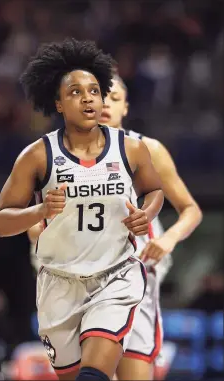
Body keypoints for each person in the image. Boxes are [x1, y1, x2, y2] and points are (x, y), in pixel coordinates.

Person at [0, 38, 164, 381]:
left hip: (115, 277)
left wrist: (147, 213)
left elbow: (155, 190)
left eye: (94, 90)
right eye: (75, 92)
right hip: (60, 283)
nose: (87, 97)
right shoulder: (37, 155)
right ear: (57, 103)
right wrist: (39, 211)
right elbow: (1, 222)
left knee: (94, 374)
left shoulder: (131, 149)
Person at [28, 72, 203, 381]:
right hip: (74, 278)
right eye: (99, 96)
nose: (106, 104)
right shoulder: (56, 152)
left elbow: (190, 209)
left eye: (115, 98)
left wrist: (169, 239)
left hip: (130, 276)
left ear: (126, 108)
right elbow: (34, 218)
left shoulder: (147, 149)